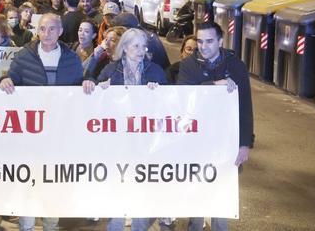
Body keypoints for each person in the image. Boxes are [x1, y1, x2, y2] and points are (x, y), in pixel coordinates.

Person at [0, 13, 83, 231]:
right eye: (43, 29)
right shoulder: (25, 56)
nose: (47, 34)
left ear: (61, 31)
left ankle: (50, 225)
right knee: (28, 181)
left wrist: (89, 82)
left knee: (53, 183)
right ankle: (26, 225)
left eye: (52, 29)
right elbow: (12, 78)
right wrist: (4, 80)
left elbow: (80, 81)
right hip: (30, 135)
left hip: (59, 135)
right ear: (38, 30)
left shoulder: (71, 58)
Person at [82, 28, 168, 231]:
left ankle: (139, 227)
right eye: (135, 45)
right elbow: (95, 88)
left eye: (143, 46)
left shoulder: (154, 70)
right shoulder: (111, 70)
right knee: (117, 186)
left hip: (145, 141)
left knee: (141, 187)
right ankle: (115, 226)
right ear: (125, 47)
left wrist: (159, 92)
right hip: (118, 141)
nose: (140, 50)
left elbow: (169, 101)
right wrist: (94, 85)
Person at [177, 22, 254, 231]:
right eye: (200, 41)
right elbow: (184, 97)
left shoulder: (236, 65)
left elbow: (245, 106)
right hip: (196, 140)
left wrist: (245, 143)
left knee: (222, 193)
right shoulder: (188, 65)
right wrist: (213, 86)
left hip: (225, 141)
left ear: (220, 41)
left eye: (209, 41)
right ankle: (195, 226)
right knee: (197, 190)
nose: (203, 46)